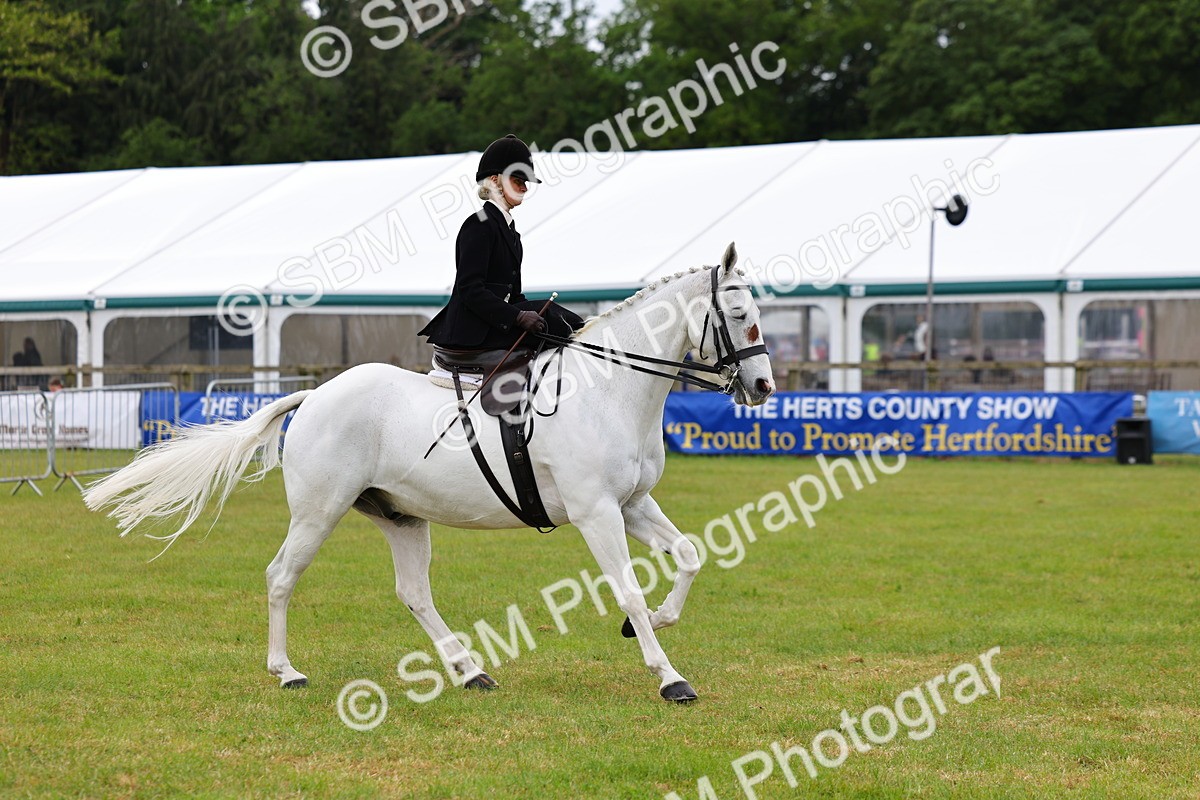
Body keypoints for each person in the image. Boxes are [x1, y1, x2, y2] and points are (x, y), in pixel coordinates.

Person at [418, 134, 583, 352]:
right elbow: (469, 290)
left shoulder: (512, 234)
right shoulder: (478, 224)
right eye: (518, 181)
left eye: (525, 182)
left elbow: (514, 296)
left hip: (496, 322)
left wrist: (526, 313)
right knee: (550, 314)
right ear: (495, 180)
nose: (524, 188)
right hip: (472, 329)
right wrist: (518, 316)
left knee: (550, 314)